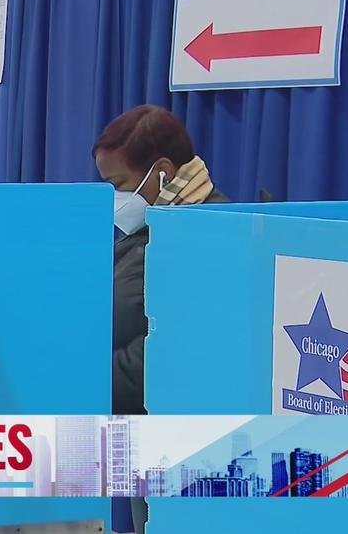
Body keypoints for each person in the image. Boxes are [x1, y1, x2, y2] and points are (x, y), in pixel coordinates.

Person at [94, 105, 227, 534]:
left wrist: (84, 380)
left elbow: (163, 353)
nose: (113, 199)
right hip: (142, 440)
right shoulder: (150, 231)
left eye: (117, 184)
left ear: (163, 172)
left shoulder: (208, 239)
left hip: (180, 450)